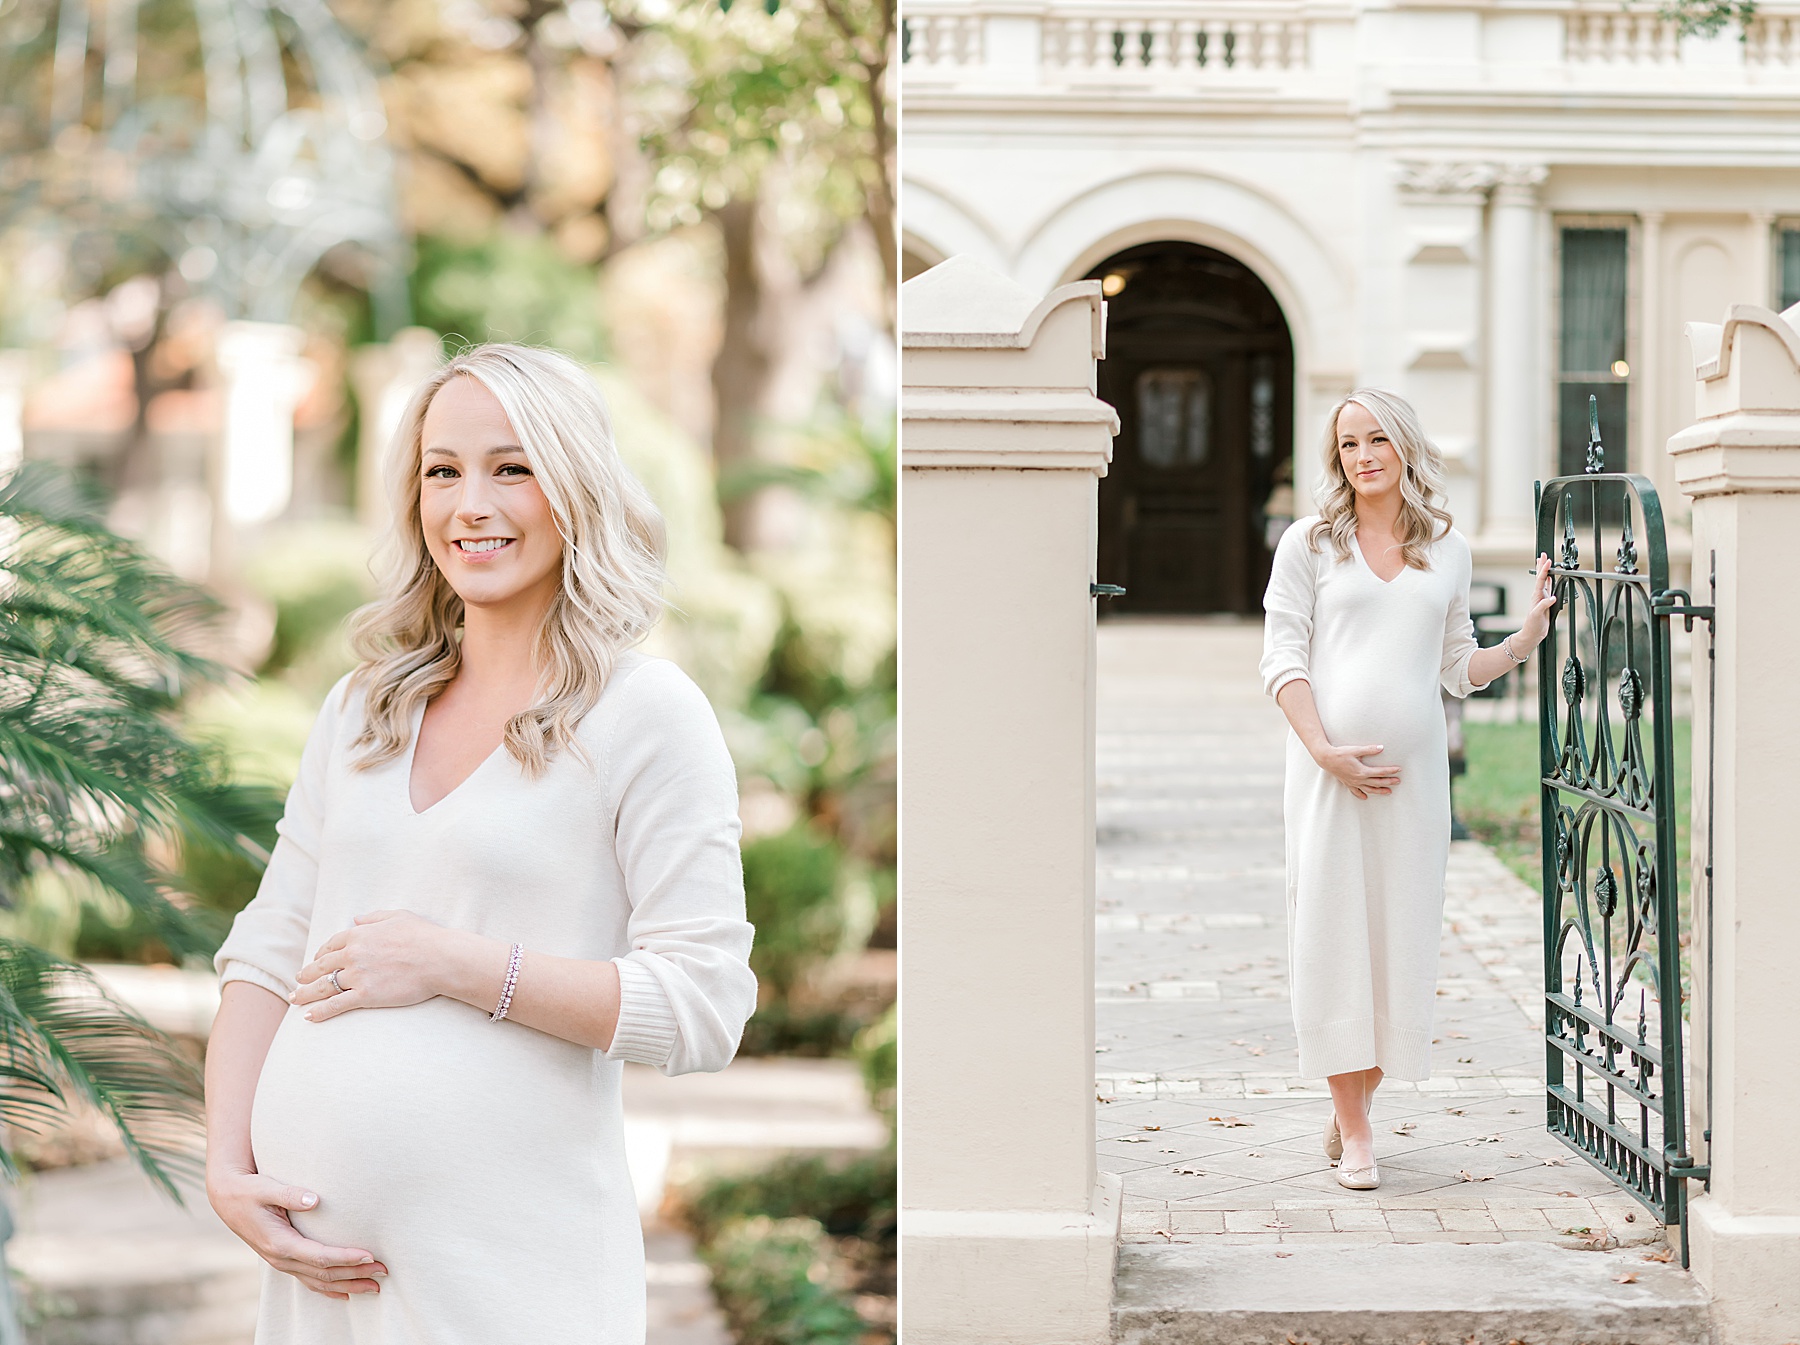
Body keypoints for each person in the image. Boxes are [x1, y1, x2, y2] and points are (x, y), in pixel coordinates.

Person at [203, 343, 758, 1342]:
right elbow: (268, 943)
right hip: (320, 1281)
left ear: (575, 486)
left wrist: (459, 965)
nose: (471, 504)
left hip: (514, 1275)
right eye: (442, 470)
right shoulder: (363, 708)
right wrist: (227, 1168)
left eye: (512, 467)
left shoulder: (646, 715)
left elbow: (704, 1005)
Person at [1258, 389, 1553, 1191]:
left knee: (1400, 944)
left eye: (1377, 438)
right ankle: (1357, 1131)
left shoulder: (1448, 548)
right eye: (1348, 443)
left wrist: (1521, 642)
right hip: (1327, 782)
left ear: (1405, 446)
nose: (1363, 455)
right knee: (1332, 939)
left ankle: (1353, 1094)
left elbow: (1458, 667)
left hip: (1415, 789)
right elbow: (1281, 657)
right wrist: (1325, 750)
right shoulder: (1310, 544)